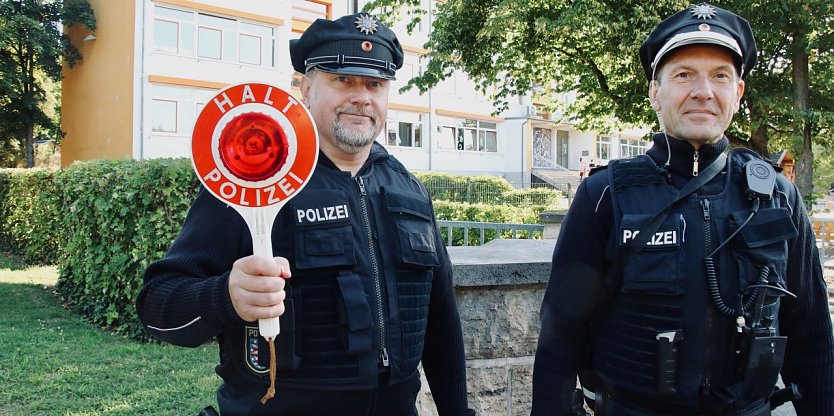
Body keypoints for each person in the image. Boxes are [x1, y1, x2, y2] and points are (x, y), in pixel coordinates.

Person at [136, 13, 475, 416]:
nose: (362, 97)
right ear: (307, 89)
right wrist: (225, 295)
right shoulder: (254, 180)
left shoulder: (409, 190)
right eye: (343, 80)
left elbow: (440, 323)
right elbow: (157, 307)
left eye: (375, 84)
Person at [531, 3, 834, 416]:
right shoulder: (604, 196)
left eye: (721, 76)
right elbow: (560, 336)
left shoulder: (778, 196)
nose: (703, 91)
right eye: (684, 74)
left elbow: (811, 334)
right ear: (656, 91)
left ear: (738, 93)